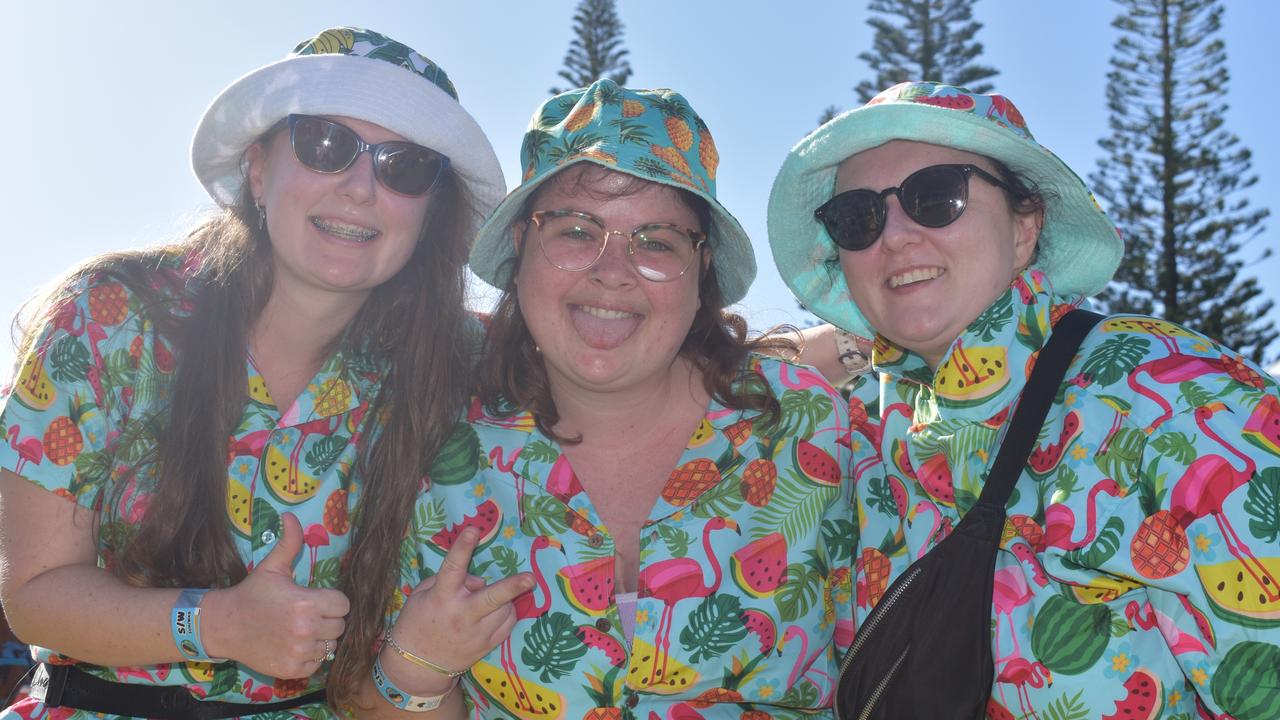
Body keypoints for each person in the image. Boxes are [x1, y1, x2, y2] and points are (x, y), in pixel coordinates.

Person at [0, 27, 504, 719]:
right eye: (326, 145)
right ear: (259, 170)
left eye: (405, 166)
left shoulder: (454, 373)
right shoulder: (109, 315)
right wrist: (222, 623)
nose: (360, 187)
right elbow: (33, 597)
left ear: (429, 213)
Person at [767, 80, 1280, 719]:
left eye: (936, 197)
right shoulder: (869, 458)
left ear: (1024, 227)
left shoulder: (1170, 393)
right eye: (857, 217)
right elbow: (672, 385)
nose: (894, 235)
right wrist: (852, 339)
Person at [364, 80, 857, 718]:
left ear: (702, 268)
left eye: (655, 242)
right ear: (520, 248)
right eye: (575, 230)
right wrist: (420, 669)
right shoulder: (440, 454)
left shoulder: (811, 428)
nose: (612, 271)